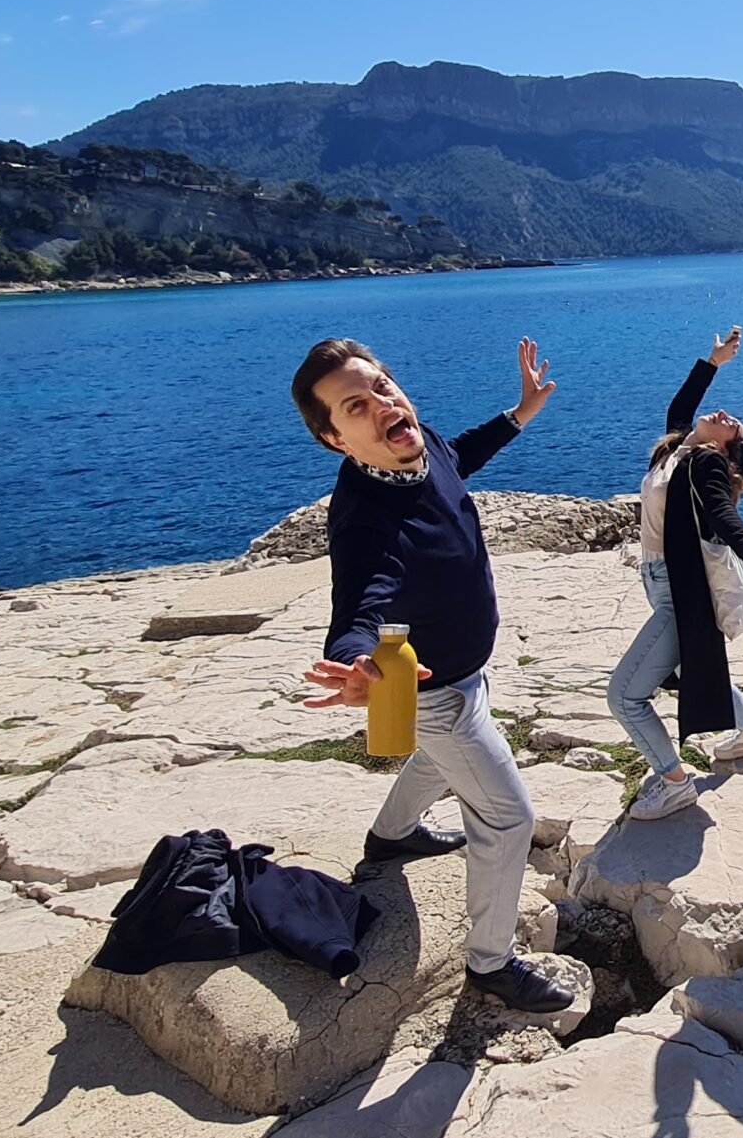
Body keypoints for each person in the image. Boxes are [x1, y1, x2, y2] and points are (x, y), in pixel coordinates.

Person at [290, 334, 574, 1014]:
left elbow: (459, 455)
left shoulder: (419, 445)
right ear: (336, 440)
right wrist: (357, 659)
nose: (382, 402)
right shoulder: (366, 518)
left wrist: (521, 411)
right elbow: (362, 594)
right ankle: (491, 963)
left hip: (463, 673)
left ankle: (391, 836)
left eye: (382, 384)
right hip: (435, 690)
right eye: (355, 405)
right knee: (507, 818)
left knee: (440, 759)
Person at [610, 326, 743, 821]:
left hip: (678, 588)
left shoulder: (706, 463)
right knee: (690, 666)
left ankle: (673, 779)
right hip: (659, 578)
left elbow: (720, 510)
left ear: (728, 450)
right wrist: (713, 362)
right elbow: (681, 407)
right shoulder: (676, 450)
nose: (727, 417)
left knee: (625, 696)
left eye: (735, 427)